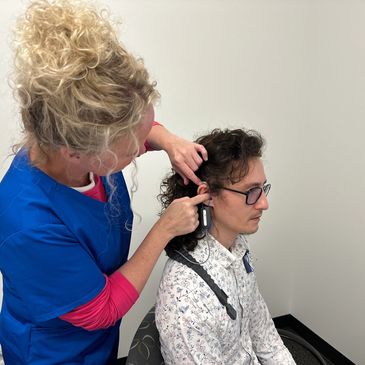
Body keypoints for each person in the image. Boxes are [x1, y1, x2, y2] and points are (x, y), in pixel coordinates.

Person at [0, 1, 209, 364]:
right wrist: (164, 229)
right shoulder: (29, 226)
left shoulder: (83, 148)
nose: (141, 147)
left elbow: (138, 133)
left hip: (101, 347)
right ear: (78, 152)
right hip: (55, 354)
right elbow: (101, 310)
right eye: (131, 148)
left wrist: (170, 142)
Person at [156, 128, 296, 365]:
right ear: (207, 196)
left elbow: (266, 338)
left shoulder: (236, 248)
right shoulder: (186, 301)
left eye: (263, 188)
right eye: (251, 192)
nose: (264, 203)